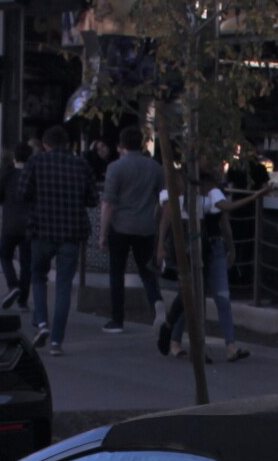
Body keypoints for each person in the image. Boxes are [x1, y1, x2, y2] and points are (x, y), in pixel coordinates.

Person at [154, 165, 258, 362]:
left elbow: (223, 220)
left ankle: (229, 346)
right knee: (191, 296)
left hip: (211, 246)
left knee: (216, 297)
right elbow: (166, 218)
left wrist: (231, 246)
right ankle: (178, 338)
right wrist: (161, 247)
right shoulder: (182, 196)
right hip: (191, 246)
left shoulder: (212, 196)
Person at [23, 127, 93, 355]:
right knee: (64, 285)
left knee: (38, 277)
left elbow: (22, 193)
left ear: (45, 144)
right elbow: (92, 199)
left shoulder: (36, 161)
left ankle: (42, 323)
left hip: (41, 230)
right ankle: (56, 342)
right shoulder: (81, 164)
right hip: (71, 233)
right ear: (68, 144)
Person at [97, 125, 165, 334]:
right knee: (147, 271)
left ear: (122, 145)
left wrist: (102, 233)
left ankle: (117, 319)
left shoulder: (115, 168)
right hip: (145, 226)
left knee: (116, 272)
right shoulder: (155, 167)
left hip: (121, 225)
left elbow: (108, 203)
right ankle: (157, 303)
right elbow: (163, 198)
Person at [0, 141, 34, 308]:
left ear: (14, 157)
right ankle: (23, 301)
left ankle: (13, 285)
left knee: (4, 255)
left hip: (10, 223)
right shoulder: (33, 176)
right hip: (29, 225)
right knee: (26, 263)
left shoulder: (7, 175)